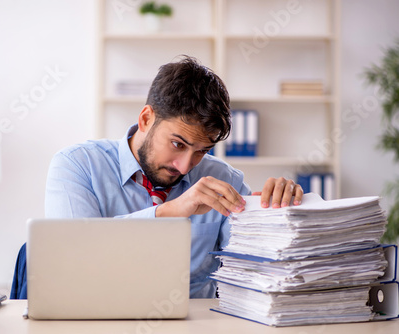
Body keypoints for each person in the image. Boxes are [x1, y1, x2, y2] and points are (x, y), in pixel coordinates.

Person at [44, 55, 303, 298]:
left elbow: (257, 269)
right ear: (146, 119)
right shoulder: (77, 165)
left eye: (201, 151)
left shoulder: (224, 179)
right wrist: (171, 212)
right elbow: (75, 258)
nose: (184, 166)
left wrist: (281, 219)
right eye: (178, 144)